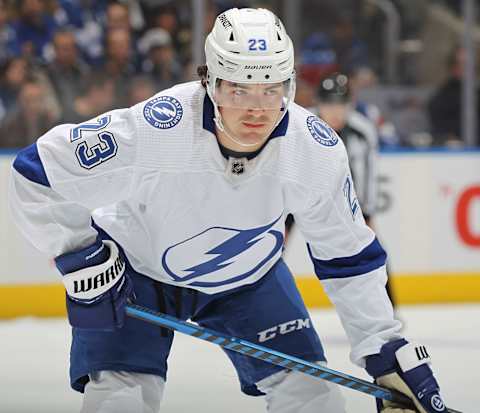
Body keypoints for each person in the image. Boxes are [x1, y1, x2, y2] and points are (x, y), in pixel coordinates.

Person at [9, 8, 448, 413]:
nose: (257, 108)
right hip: (136, 274)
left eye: (271, 88)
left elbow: (348, 255)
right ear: (211, 83)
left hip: (249, 277)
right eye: (239, 88)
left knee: (314, 398)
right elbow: (35, 171)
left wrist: (386, 349)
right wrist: (82, 256)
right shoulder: (157, 128)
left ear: (290, 86)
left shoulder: (313, 150)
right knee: (120, 399)